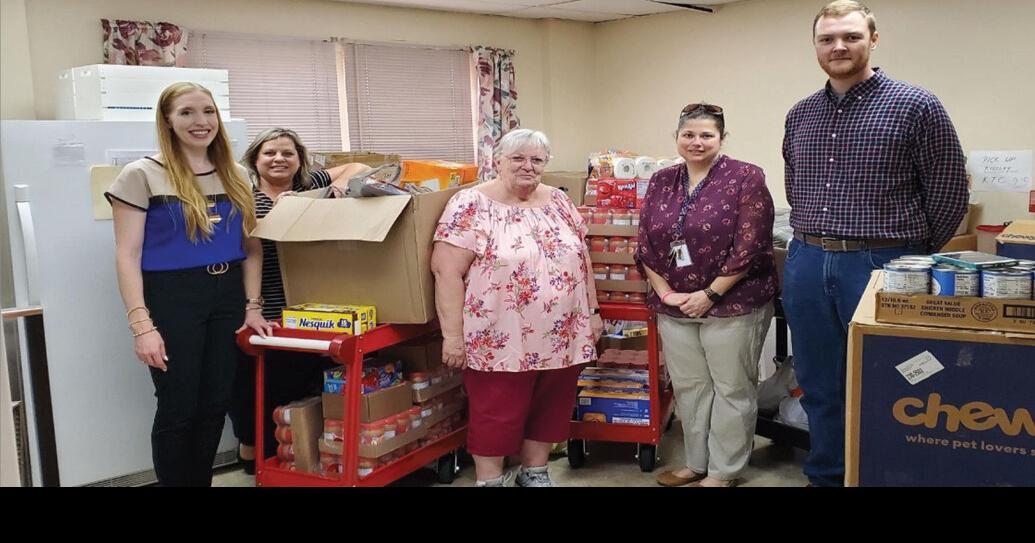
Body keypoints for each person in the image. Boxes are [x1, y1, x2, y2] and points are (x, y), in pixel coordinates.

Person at [782, 0, 968, 487]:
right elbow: (796, 183)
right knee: (819, 384)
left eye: (850, 36)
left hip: (883, 262)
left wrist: (910, 258)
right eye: (827, 39)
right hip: (806, 258)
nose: (838, 47)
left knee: (896, 376)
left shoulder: (916, 106)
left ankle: (888, 473)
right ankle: (826, 475)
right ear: (816, 46)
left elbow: (949, 193)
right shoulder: (801, 113)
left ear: (873, 40)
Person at [106, 82, 275, 486]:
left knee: (216, 403)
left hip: (227, 294)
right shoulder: (141, 174)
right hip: (172, 296)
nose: (201, 122)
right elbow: (126, 255)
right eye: (186, 112)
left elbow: (252, 248)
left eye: (208, 112)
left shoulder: (237, 174)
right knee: (178, 407)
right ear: (167, 119)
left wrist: (252, 306)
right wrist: (141, 326)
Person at [431, 128, 604, 487]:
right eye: (518, 158)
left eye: (537, 160)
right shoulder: (470, 204)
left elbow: (581, 260)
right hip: (498, 333)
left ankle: (535, 471)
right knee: (496, 409)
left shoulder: (558, 200)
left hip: (563, 331)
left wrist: (592, 313)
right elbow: (445, 270)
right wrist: (452, 337)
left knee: (551, 403)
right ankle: (490, 479)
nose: (528, 166)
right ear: (498, 161)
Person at [637, 103, 777, 488]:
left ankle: (723, 471)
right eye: (689, 135)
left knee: (731, 388)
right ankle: (696, 464)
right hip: (675, 304)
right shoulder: (663, 180)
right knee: (690, 387)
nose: (696, 142)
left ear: (721, 139)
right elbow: (645, 243)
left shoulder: (746, 177)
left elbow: (750, 245)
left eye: (706, 135)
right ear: (677, 138)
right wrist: (665, 292)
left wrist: (710, 294)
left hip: (732, 303)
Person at [228, 128, 372, 473]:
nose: (279, 159)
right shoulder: (243, 195)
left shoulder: (309, 187)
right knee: (253, 388)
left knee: (300, 386)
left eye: (287, 153)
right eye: (270, 153)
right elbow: (249, 244)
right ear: (255, 160)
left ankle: (299, 455)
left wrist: (332, 192)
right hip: (262, 307)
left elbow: (358, 167)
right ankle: (252, 454)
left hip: (312, 310)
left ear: (299, 159)